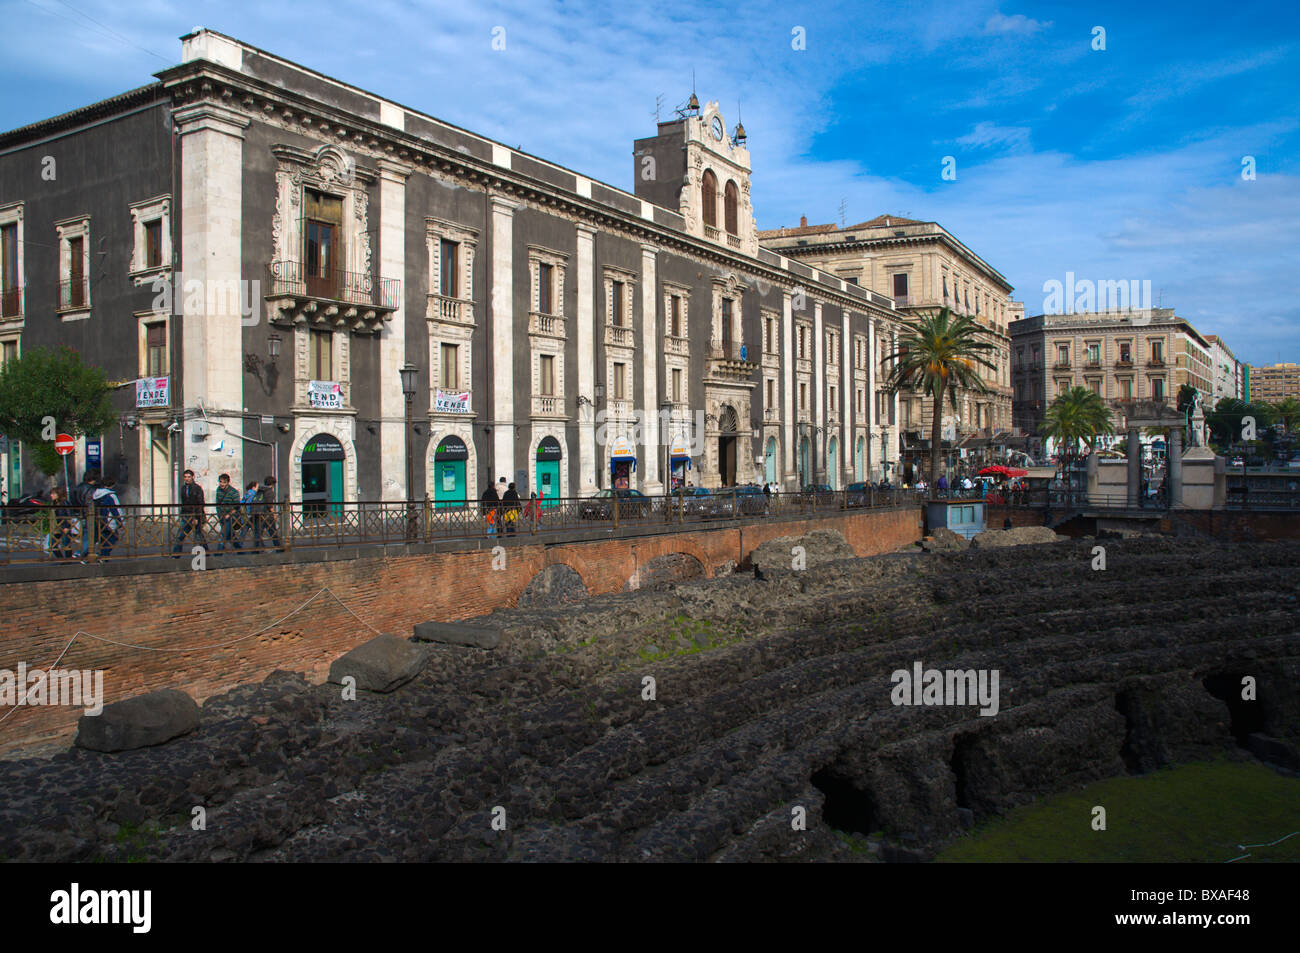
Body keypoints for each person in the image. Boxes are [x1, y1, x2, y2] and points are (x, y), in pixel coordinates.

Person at [172, 468, 206, 555]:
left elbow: (200, 503)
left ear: (192, 477)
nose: (187, 479)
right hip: (186, 515)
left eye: (189, 477)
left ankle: (206, 553)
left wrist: (197, 517)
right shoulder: (183, 488)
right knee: (180, 535)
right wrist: (182, 514)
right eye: (185, 477)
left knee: (198, 536)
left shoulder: (197, 488)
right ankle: (176, 555)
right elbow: (183, 502)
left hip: (195, 515)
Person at [91, 479, 123, 559]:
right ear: (111, 485)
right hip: (109, 520)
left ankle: (102, 555)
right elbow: (114, 510)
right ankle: (103, 556)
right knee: (113, 538)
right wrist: (120, 522)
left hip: (99, 520)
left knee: (103, 539)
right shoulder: (110, 495)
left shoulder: (96, 495)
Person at [71, 469, 99, 559]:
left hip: (80, 514)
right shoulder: (92, 489)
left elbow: (73, 500)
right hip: (89, 514)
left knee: (86, 535)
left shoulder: (77, 487)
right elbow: (91, 502)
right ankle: (81, 553)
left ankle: (84, 552)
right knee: (91, 536)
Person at [214, 473, 242, 553]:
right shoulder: (218, 490)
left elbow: (237, 506)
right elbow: (217, 504)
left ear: (227, 482)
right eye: (220, 482)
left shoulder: (234, 492)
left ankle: (218, 554)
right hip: (222, 516)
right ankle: (240, 550)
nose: (221, 484)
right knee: (230, 536)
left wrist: (229, 514)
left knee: (223, 535)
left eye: (224, 482)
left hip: (231, 517)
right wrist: (219, 515)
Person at [256, 476, 283, 551]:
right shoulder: (270, 491)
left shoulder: (260, 490)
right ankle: (278, 547)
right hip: (267, 515)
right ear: (273, 484)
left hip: (259, 513)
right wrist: (274, 514)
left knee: (259, 532)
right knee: (273, 532)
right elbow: (269, 505)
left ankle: (257, 548)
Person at [239, 480, 260, 549]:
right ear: (253, 487)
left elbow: (242, 502)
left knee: (244, 531)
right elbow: (250, 505)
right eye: (257, 487)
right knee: (257, 531)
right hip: (251, 515)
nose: (258, 488)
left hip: (245, 515)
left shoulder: (247, 493)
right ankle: (259, 546)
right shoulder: (253, 494)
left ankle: (239, 545)